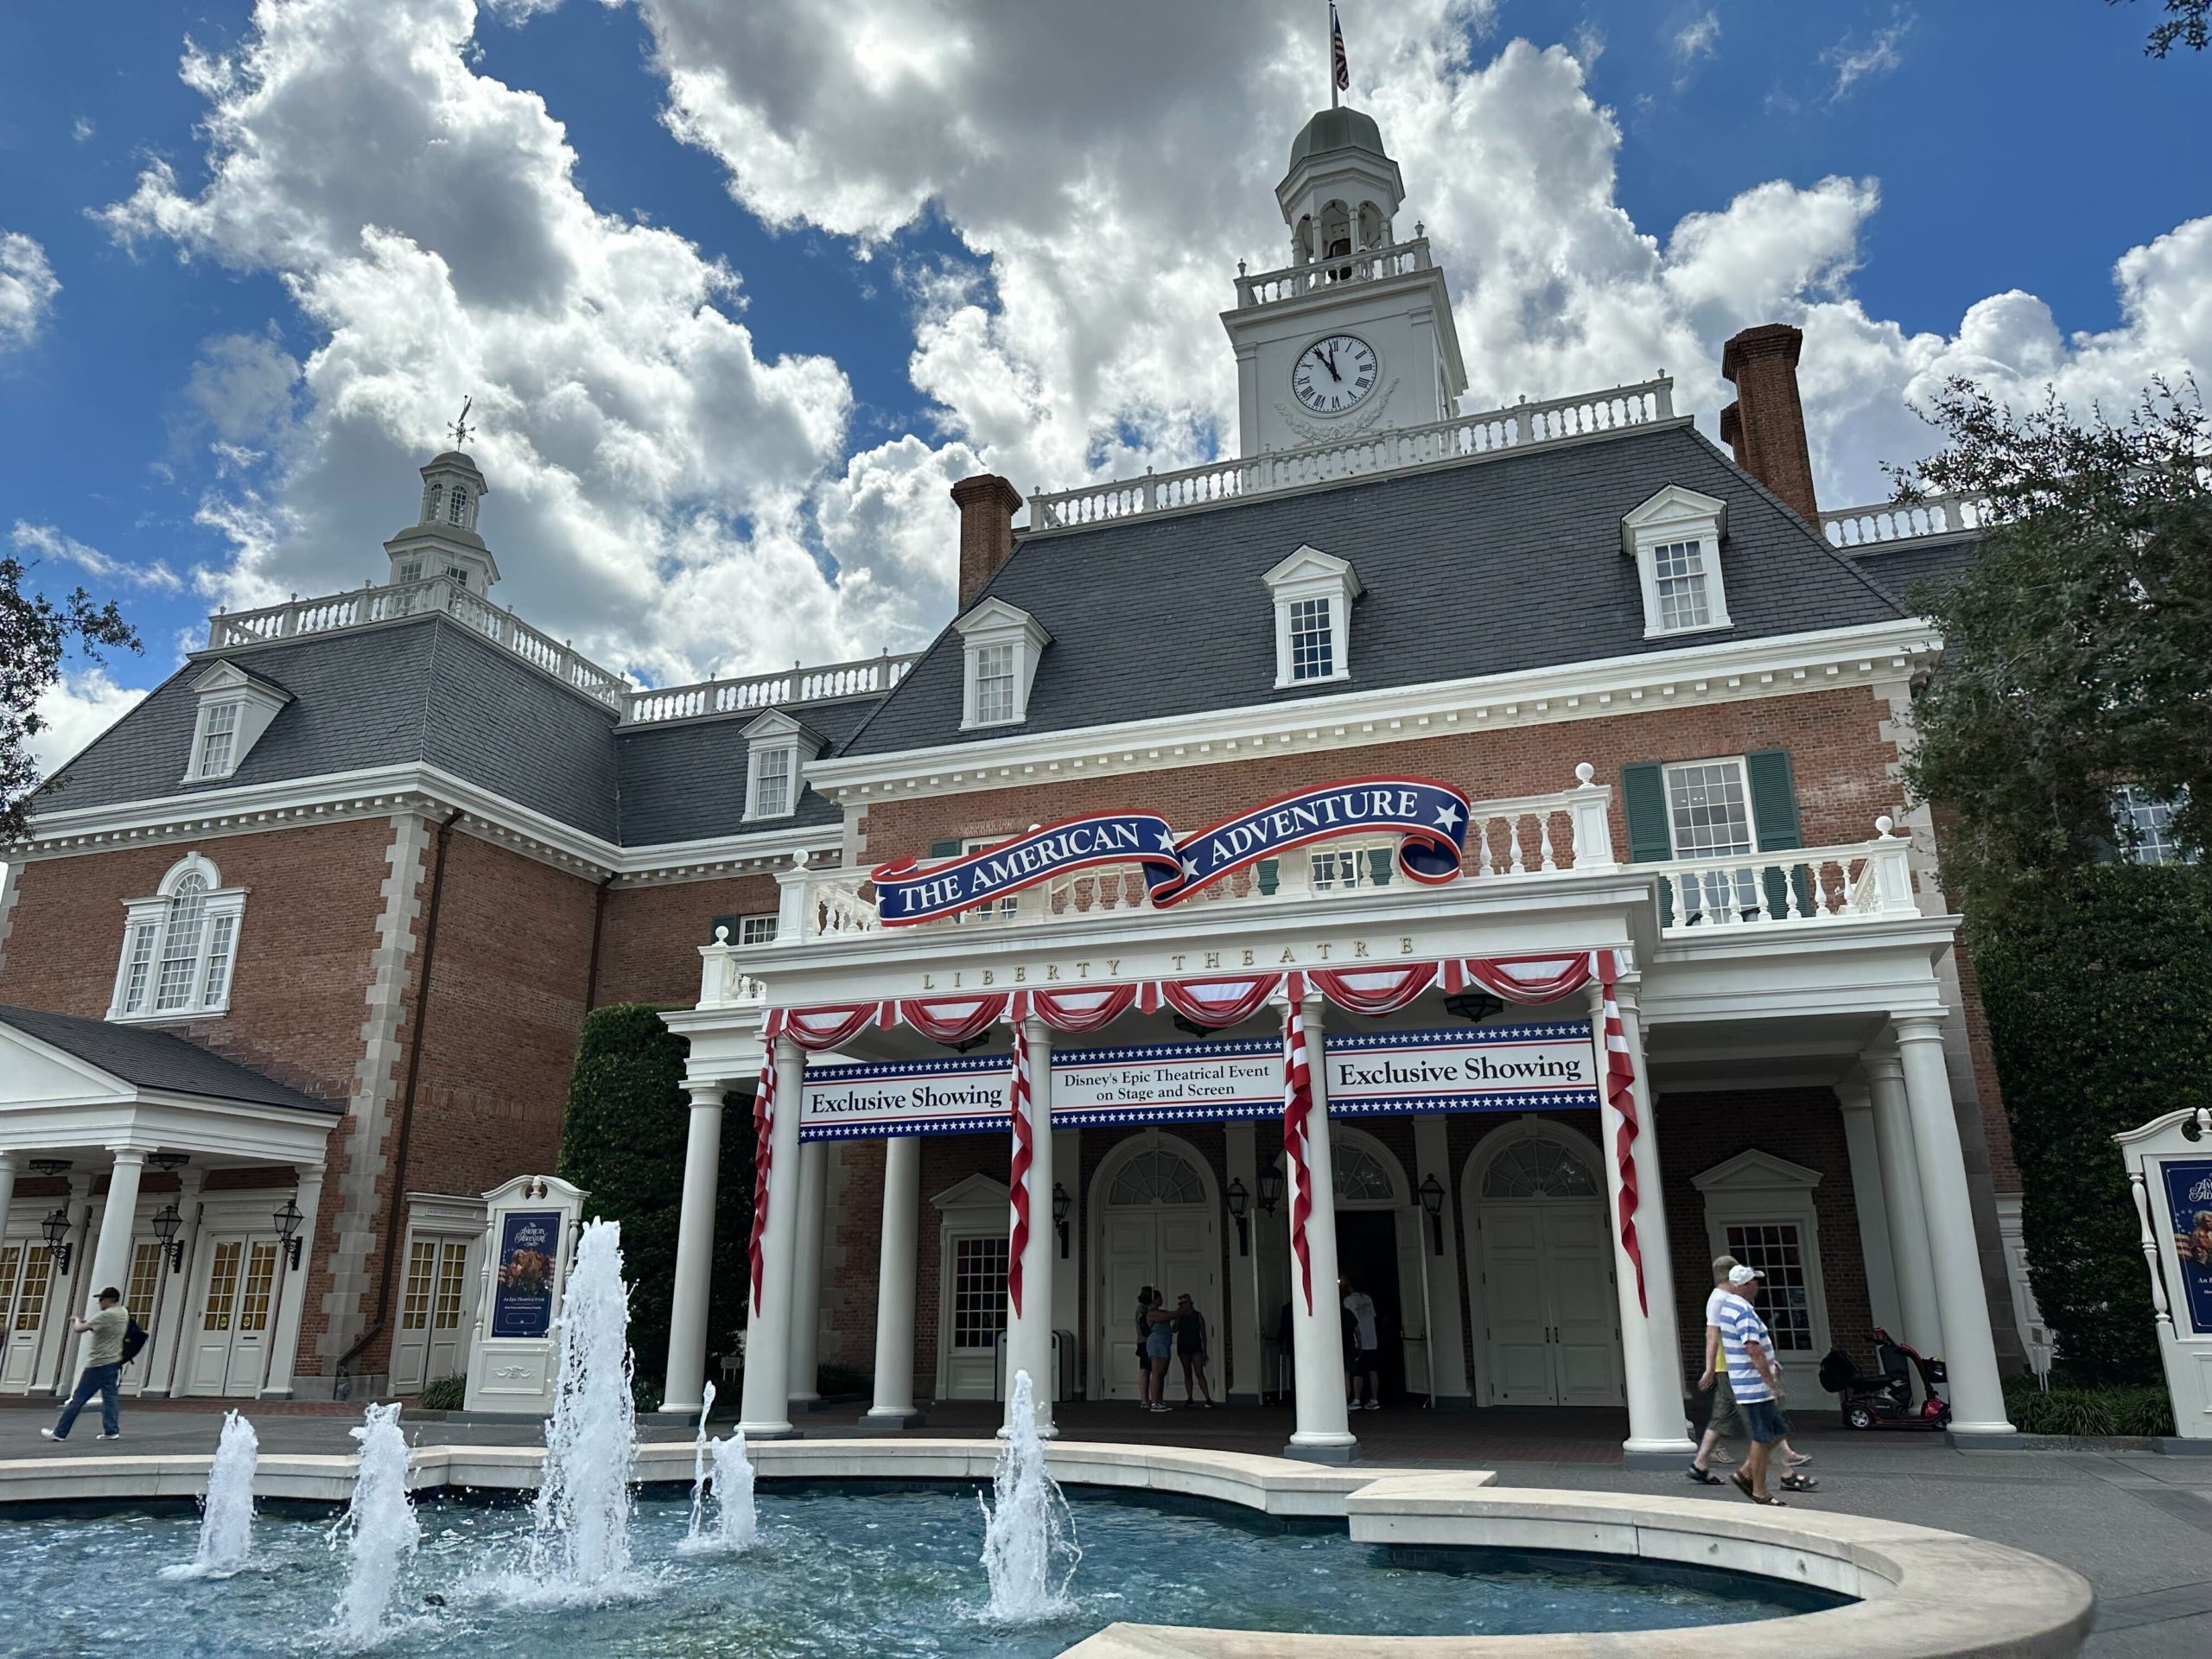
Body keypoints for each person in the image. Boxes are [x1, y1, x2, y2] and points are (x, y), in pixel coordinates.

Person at [1714, 1265, 1814, 1503]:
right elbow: (1752, 1348)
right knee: (1763, 1437)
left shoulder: (1730, 1308)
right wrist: (1771, 1384)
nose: (1756, 1286)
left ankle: (1746, 1474)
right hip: (1755, 1387)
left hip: (1748, 1384)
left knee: (1776, 1433)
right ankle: (1759, 1490)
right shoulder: (1744, 1312)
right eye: (1751, 1282)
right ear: (1741, 1286)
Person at [42, 1287, 130, 1444]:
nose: (99, 1303)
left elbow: (79, 1329)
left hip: (98, 1363)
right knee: (110, 1397)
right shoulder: (123, 1313)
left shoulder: (105, 1315)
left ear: (108, 1300)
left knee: (78, 1398)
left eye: (101, 1300)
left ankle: (60, 1432)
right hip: (113, 1361)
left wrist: (76, 1320)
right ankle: (111, 1430)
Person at [1688, 1255, 1745, 1484]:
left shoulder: (1727, 1298)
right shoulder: (1720, 1299)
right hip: (1730, 1365)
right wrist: (1710, 1368)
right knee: (1758, 1413)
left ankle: (1701, 1462)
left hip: (1734, 1365)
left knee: (1731, 1414)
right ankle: (1785, 1467)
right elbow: (1712, 1334)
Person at [1342, 1277, 1382, 1410]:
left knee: (1357, 1371)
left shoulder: (1349, 1301)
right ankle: (1374, 1399)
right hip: (1372, 1338)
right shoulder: (1368, 1299)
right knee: (1372, 1370)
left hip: (1358, 1340)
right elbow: (1374, 1316)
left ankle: (1357, 1399)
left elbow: (1349, 1319)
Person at [1137, 1286, 1176, 1413]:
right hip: (1145, 1341)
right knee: (1148, 1371)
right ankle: (1147, 1400)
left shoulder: (1149, 1309)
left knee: (1155, 1372)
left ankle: (1156, 1400)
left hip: (1150, 1341)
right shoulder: (1144, 1310)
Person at [1173, 1293, 1215, 1407]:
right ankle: (1190, 1397)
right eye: (1182, 1304)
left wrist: (1205, 1351)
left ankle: (1207, 1397)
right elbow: (1174, 1329)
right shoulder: (1180, 1316)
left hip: (1196, 1346)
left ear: (1190, 1303)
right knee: (1187, 1373)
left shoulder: (1197, 1315)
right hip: (1183, 1347)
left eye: (1185, 1303)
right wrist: (1178, 1316)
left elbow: (1204, 1334)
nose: (1184, 1305)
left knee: (1199, 1372)